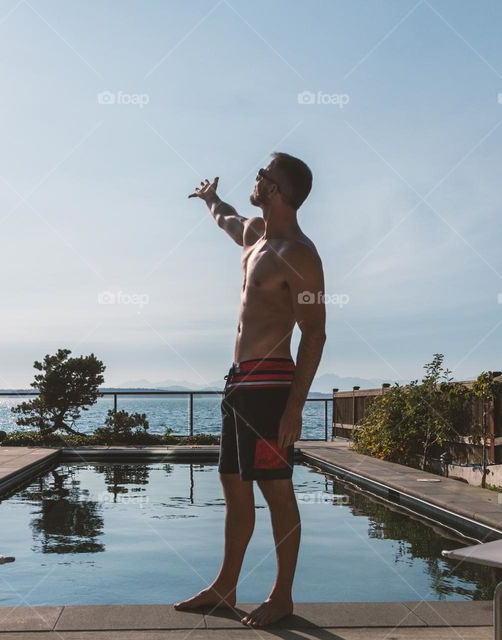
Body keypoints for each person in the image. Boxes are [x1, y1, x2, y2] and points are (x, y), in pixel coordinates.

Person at [174, 152, 326, 628]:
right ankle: (225, 587)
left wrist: (295, 408)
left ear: (276, 189)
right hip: (239, 384)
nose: (255, 179)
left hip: (270, 388)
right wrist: (210, 198)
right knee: (234, 488)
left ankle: (281, 596)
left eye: (262, 174)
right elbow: (227, 220)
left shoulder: (300, 255)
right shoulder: (257, 236)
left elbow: (315, 333)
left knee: (276, 490)